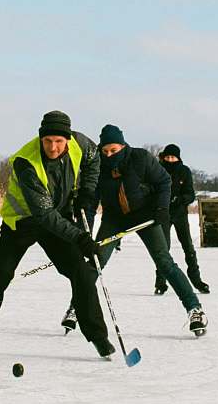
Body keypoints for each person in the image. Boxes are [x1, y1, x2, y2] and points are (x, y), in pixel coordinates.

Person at [0, 111, 115, 358]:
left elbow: (93, 160)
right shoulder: (27, 162)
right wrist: (79, 238)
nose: (53, 147)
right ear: (40, 138)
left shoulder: (81, 144)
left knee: (80, 271)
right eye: (47, 141)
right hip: (22, 222)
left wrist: (86, 191)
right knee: (2, 273)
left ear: (68, 139)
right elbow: (44, 215)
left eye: (58, 141)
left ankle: (99, 338)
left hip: (57, 217)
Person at [70, 125, 206, 336]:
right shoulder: (97, 165)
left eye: (113, 150)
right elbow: (90, 201)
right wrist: (84, 231)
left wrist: (162, 208)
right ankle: (76, 308)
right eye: (105, 151)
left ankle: (194, 309)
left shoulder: (140, 158)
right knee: (96, 260)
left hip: (145, 216)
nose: (109, 155)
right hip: (114, 219)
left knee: (164, 261)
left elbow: (163, 181)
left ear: (122, 146)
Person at [156, 144, 208, 295]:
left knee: (188, 247)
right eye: (167, 157)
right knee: (162, 248)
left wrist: (180, 199)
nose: (170, 160)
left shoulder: (184, 171)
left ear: (178, 158)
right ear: (164, 157)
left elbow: (190, 194)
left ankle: (196, 280)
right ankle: (160, 282)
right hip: (163, 213)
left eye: (173, 157)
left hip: (179, 214)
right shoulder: (158, 170)